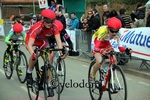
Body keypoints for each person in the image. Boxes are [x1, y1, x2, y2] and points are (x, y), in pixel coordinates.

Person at [25, 9, 65, 97]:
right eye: (47, 21)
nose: (49, 23)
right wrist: (33, 54)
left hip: (43, 41)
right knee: (35, 55)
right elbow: (30, 44)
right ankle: (29, 72)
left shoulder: (54, 27)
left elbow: (58, 41)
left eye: (51, 21)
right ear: (43, 19)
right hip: (32, 41)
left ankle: (49, 84)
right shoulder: (37, 27)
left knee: (49, 60)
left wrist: (61, 51)